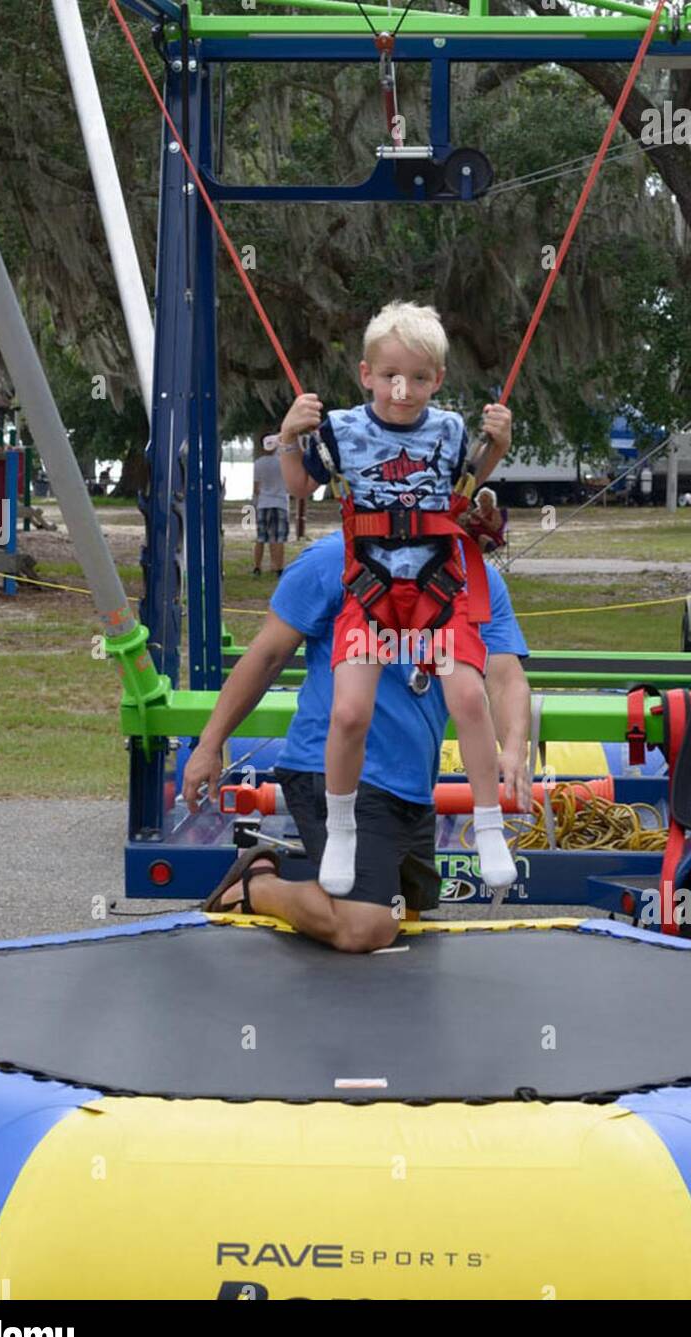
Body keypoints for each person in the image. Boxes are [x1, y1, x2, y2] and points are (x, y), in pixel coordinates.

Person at [182, 531, 530, 954]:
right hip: (329, 770)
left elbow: (505, 674)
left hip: (411, 782)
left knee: (405, 916)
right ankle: (256, 884)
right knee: (366, 926)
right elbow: (267, 656)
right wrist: (209, 743)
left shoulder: (476, 575)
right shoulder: (333, 558)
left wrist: (513, 746)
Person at [276, 301, 515, 898]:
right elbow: (300, 485)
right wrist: (288, 434)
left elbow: (469, 479)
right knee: (350, 711)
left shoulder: (450, 430)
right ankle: (341, 829)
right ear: (366, 374)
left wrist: (498, 447)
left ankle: (489, 827)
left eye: (417, 378)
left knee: (467, 696)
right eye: (389, 377)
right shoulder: (343, 431)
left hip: (436, 584)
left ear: (436, 380)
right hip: (372, 586)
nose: (402, 391)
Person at [251, 430, 290, 577]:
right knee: (278, 538)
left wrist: (254, 502)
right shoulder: (282, 463)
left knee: (261, 537)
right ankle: (278, 567)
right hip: (280, 502)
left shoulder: (258, 464)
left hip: (263, 503)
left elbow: (256, 488)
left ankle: (257, 567)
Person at [465, 486, 506, 554]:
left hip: (491, 538)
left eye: (486, 499)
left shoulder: (495, 512)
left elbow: (494, 528)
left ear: (491, 501)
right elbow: (470, 524)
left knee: (482, 538)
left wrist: (480, 519)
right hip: (474, 536)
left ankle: (478, 560)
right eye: (481, 498)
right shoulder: (476, 511)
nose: (483, 500)